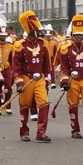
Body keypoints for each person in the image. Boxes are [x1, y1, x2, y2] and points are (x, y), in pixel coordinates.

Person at [13, 11, 53, 142]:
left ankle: (41, 132)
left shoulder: (43, 44)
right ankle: (24, 132)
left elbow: (47, 64)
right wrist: (19, 83)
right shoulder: (20, 46)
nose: (40, 33)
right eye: (38, 30)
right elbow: (16, 66)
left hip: (39, 79)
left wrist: (48, 78)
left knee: (44, 103)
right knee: (24, 105)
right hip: (26, 78)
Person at [58, 14, 83, 139]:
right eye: (77, 35)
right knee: (73, 105)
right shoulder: (66, 49)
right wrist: (64, 80)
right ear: (73, 35)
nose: (79, 37)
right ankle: (75, 130)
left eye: (81, 35)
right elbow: (64, 66)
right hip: (72, 80)